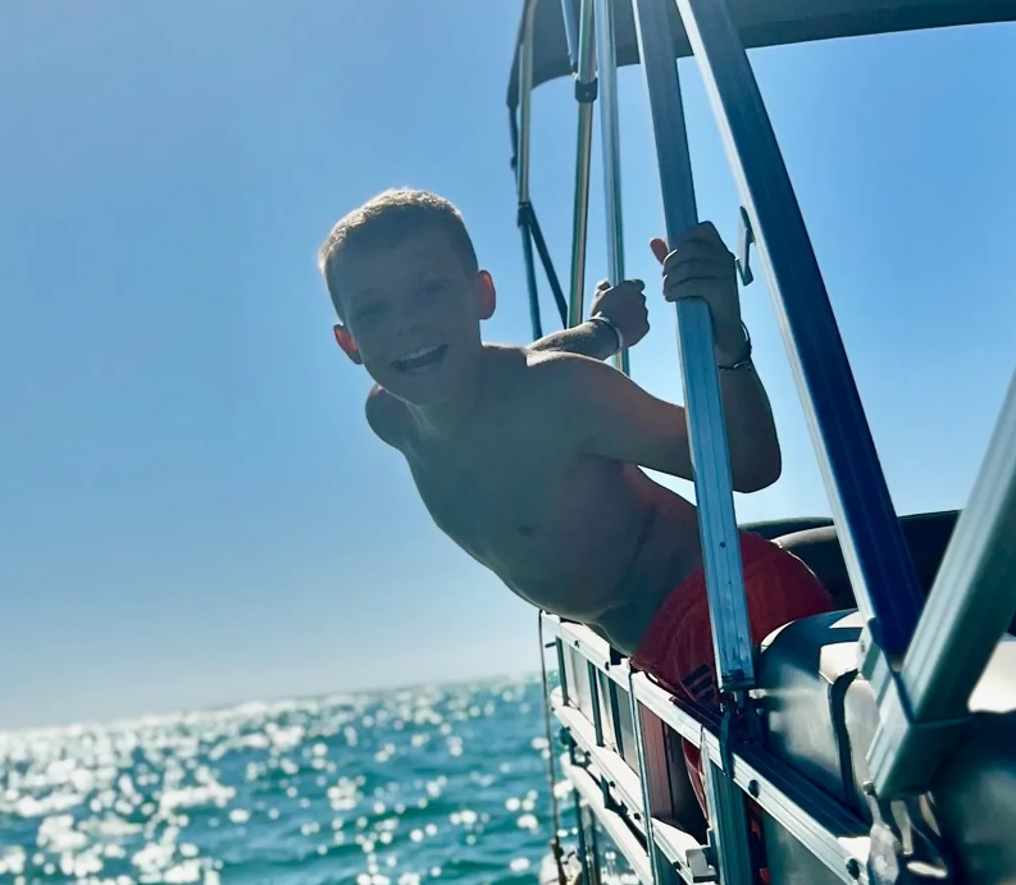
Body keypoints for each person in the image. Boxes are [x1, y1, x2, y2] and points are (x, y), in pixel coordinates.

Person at [319, 186, 832, 721]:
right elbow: (512, 368)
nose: (406, 324)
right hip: (652, 655)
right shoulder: (390, 416)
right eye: (374, 310)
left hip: (729, 614)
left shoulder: (564, 396)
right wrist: (606, 331)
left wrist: (725, 338)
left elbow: (749, 465)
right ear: (348, 341)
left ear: (482, 296)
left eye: (430, 290)